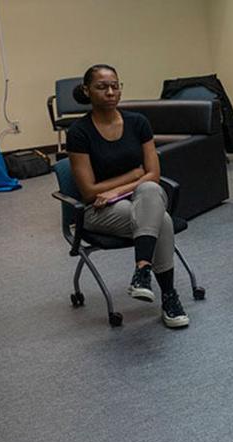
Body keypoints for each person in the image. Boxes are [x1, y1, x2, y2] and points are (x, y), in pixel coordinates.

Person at [66, 64, 189, 328]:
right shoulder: (78, 132)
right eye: (102, 87)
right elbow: (89, 191)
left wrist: (120, 188)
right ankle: (169, 297)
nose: (110, 92)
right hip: (99, 210)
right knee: (162, 221)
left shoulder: (138, 122)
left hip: (141, 198)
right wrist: (133, 176)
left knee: (151, 189)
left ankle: (143, 269)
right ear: (87, 91)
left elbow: (153, 174)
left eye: (115, 86)